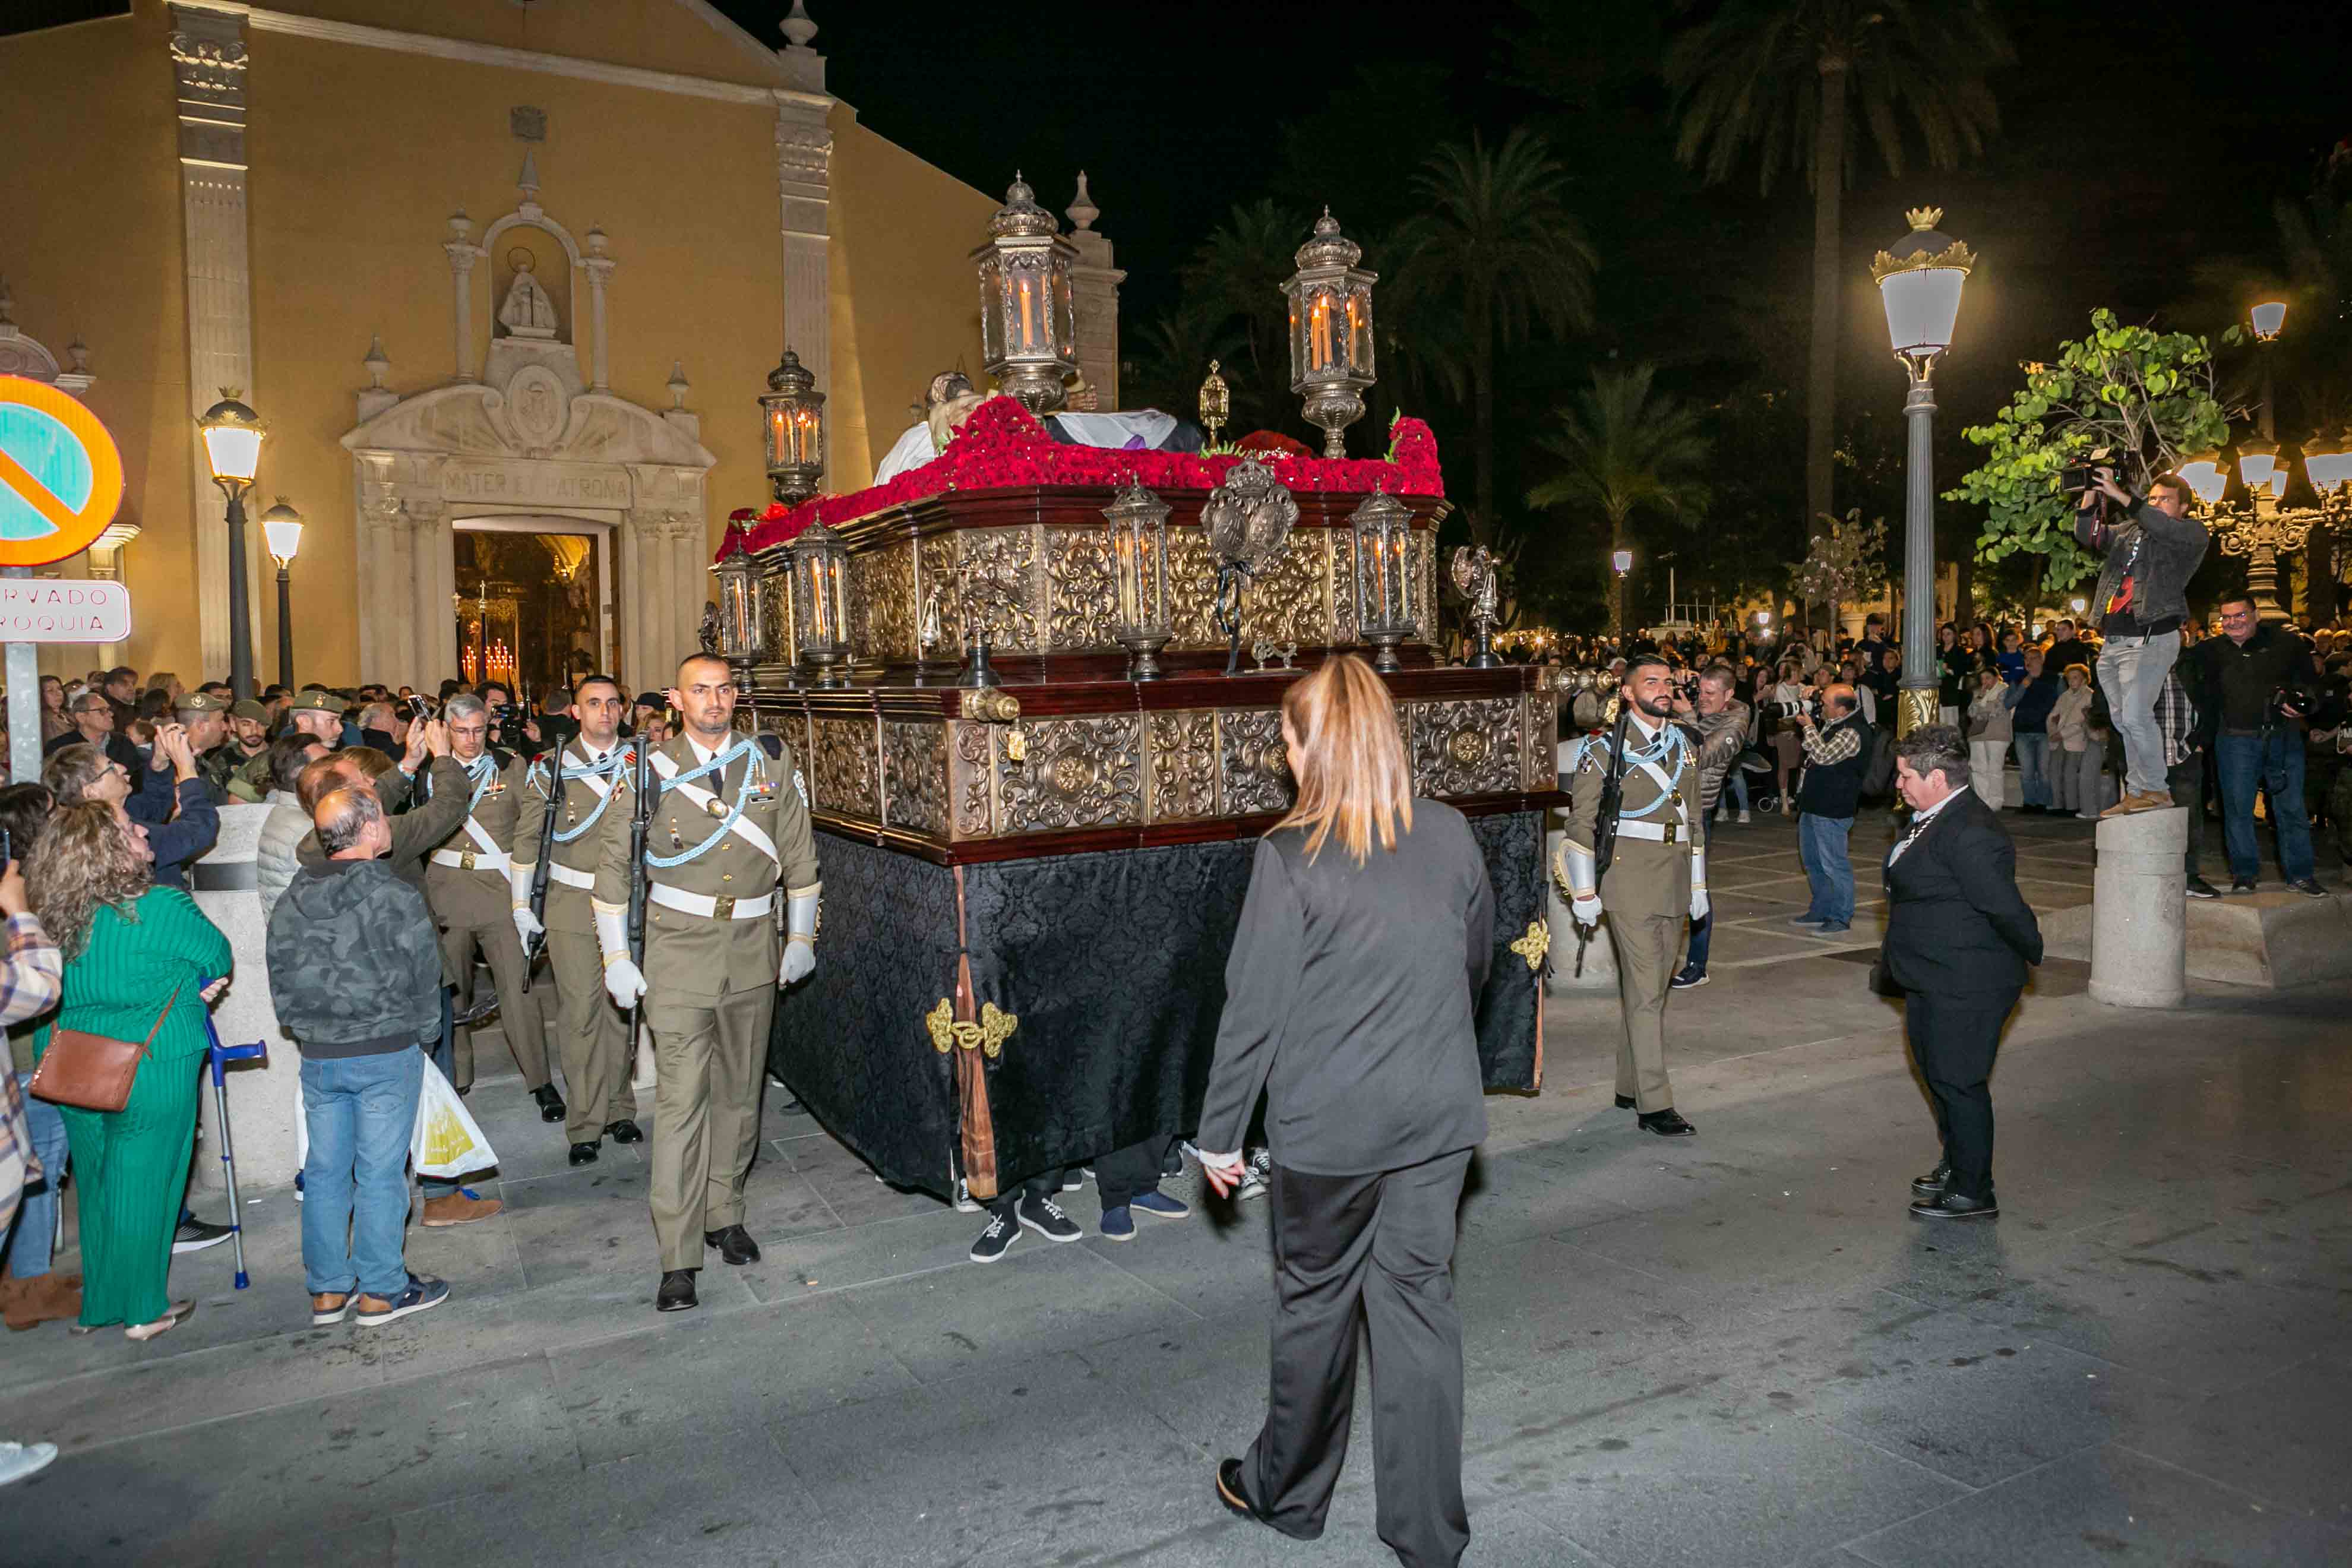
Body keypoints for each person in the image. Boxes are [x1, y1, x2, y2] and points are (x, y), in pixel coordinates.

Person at [1194, 654, 1493, 1568]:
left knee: (1316, 1307)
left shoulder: (1288, 856)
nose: (1281, 753)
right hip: (1438, 1118)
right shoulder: (1450, 834)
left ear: (1310, 744)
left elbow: (1254, 1010)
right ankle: (1428, 1531)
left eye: (1287, 736)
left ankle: (1285, 1492)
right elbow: (1473, 964)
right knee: (1419, 1310)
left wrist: (1218, 1134)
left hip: (1332, 1130)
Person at [593, 654, 821, 1314]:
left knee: (741, 1095)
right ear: (676, 699)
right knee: (681, 1104)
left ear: (735, 695)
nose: (714, 700)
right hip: (678, 953)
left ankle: (725, 1211)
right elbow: (614, 871)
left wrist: (800, 938)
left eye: (723, 690)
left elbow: (800, 856)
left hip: (753, 950)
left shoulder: (773, 761)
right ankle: (678, 1254)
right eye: (700, 690)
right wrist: (615, 956)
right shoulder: (647, 771)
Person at [27, 802, 233, 1338]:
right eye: (127, 827)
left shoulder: (48, 918)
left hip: (73, 1063)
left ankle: (101, 1304)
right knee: (149, 1184)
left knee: (95, 1186)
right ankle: (144, 1310)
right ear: (110, 852)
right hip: (152, 1063)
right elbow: (217, 956)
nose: (142, 829)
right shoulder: (160, 907)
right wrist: (191, 984)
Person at [269, 788, 451, 1328]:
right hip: (385, 1051)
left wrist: (306, 1030)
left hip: (321, 1055)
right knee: (380, 1173)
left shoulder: (293, 897)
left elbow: (279, 973)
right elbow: (424, 973)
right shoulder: (393, 895)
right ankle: (382, 1291)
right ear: (370, 828)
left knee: (324, 1171)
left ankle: (328, 1291)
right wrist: (427, 1035)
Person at [1881, 726, 2044, 1221]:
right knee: (1938, 1075)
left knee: (1960, 1082)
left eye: (1906, 775)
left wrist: (2031, 952)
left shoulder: (1970, 829)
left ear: (1936, 777)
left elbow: (2005, 908)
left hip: (1969, 980)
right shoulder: (1933, 816)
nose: (1899, 784)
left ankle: (1975, 1189)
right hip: (1934, 974)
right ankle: (1957, 1165)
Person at [1557, 656, 1705, 1136]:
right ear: (1626, 692)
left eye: (1668, 681)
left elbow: (1694, 822)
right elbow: (1581, 823)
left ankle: (1628, 1084)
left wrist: (1701, 885)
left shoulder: (1683, 744)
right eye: (1652, 682)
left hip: (1675, 878)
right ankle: (1655, 1105)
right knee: (1645, 994)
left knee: (1653, 991)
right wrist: (1582, 891)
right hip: (1628, 881)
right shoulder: (1602, 751)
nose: (1664, 688)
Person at [511, 675, 643, 1166]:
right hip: (572, 900)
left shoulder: (645, 761)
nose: (605, 712)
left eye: (613, 704)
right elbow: (527, 840)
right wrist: (521, 906)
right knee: (581, 1011)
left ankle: (619, 1109)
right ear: (576, 713)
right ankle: (584, 1123)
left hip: (629, 901)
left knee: (620, 1007)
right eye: (594, 704)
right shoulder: (551, 767)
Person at [420, 695, 560, 1118]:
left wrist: (528, 892)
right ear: (445, 729)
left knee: (518, 988)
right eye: (461, 731)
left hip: (500, 889)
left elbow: (529, 828)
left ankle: (541, 1080)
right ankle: (458, 1076)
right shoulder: (428, 771)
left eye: (478, 730)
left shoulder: (509, 766)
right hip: (447, 889)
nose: (470, 740)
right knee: (454, 987)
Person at [2076, 470, 2209, 815]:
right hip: (2114, 641)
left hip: (2152, 637)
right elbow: (2088, 535)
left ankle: (2156, 789)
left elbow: (2162, 527)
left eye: (2164, 499)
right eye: (2152, 498)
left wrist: (2124, 497)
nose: (2156, 503)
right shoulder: (2129, 531)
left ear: (2183, 507)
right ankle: (2138, 791)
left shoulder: (2190, 534)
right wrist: (2091, 493)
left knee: (2136, 716)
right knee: (2122, 721)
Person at [2189, 598, 2331, 896]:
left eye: (2239, 615)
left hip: (2283, 737)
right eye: (2226, 618)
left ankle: (2301, 875)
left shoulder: (2287, 644)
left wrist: (2307, 705)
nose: (2232, 622)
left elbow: (2313, 684)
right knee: (2238, 810)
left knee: (2291, 808)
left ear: (2256, 615)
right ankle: (2244, 874)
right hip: (2234, 739)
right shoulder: (2210, 651)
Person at [0, 787, 73, 1334]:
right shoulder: (19, 896)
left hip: (26, 1055)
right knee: (40, 1168)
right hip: (29, 1055)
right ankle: (29, 1285)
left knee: (39, 1171)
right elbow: (35, 989)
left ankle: (29, 1277)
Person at [1669, 665, 1750, 990]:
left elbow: (1697, 756)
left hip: (1697, 811)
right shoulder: (1707, 707)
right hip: (1674, 805)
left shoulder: (1736, 723)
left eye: (1709, 694)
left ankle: (1697, 965)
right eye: (1700, 691)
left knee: (1695, 888)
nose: (1702, 699)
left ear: (1728, 695)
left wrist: (1687, 717)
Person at [1790, 683, 1869, 935]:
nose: (1821, 707)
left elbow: (1823, 755)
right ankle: (1821, 908)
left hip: (1833, 808)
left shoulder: (1853, 731)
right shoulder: (1835, 723)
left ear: (1842, 709)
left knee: (1834, 864)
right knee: (1813, 862)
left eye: (1825, 704)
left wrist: (1809, 728)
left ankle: (1840, 916)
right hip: (1814, 803)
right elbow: (1811, 751)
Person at [2154, 668, 2218, 899]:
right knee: (2148, 821)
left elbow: (2212, 706)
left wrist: (2201, 742)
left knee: (2189, 820)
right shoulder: (2138, 663)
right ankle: (2153, 878)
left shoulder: (2193, 667)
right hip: (2146, 760)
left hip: (2185, 755)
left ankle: (2189, 876)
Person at [255, 735, 330, 921]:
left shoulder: (287, 813)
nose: (336, 771)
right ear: (300, 774)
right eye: (326, 766)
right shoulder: (306, 828)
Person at [46, 688, 144, 789]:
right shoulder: (61, 747)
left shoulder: (123, 742)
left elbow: (137, 782)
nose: (111, 714)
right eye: (102, 711)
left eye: (109, 710)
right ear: (81, 717)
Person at [2004, 647, 2060, 812]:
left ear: (2042, 660)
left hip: (2045, 731)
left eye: (2034, 658)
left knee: (2044, 771)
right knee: (2027, 771)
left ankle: (2044, 803)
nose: (2029, 662)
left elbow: (2062, 702)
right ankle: (2029, 803)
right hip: (2023, 730)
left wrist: (2057, 725)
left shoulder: (2054, 679)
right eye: (2027, 659)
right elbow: (2008, 704)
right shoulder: (2019, 679)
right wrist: (2023, 686)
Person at [2046, 664, 2099, 818]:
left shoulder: (2090, 695)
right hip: (2058, 739)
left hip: (2075, 739)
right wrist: (2053, 731)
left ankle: (2071, 806)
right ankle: (2057, 804)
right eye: (2069, 678)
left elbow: (2083, 722)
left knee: (2070, 774)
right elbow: (2052, 716)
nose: (2071, 681)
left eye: (2075, 677)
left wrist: (2062, 733)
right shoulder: (2064, 696)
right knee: (2055, 773)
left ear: (2084, 678)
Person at [1964, 666, 2013, 811]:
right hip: (1978, 735)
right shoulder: (1978, 693)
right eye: (1982, 679)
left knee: (1994, 769)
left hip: (1997, 734)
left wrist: (1982, 709)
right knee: (1978, 768)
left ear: (1997, 678)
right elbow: (1971, 712)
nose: (1985, 682)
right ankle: (1982, 800)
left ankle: (1995, 802)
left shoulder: (2005, 690)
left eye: (1988, 678)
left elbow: (1998, 710)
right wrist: (1980, 699)